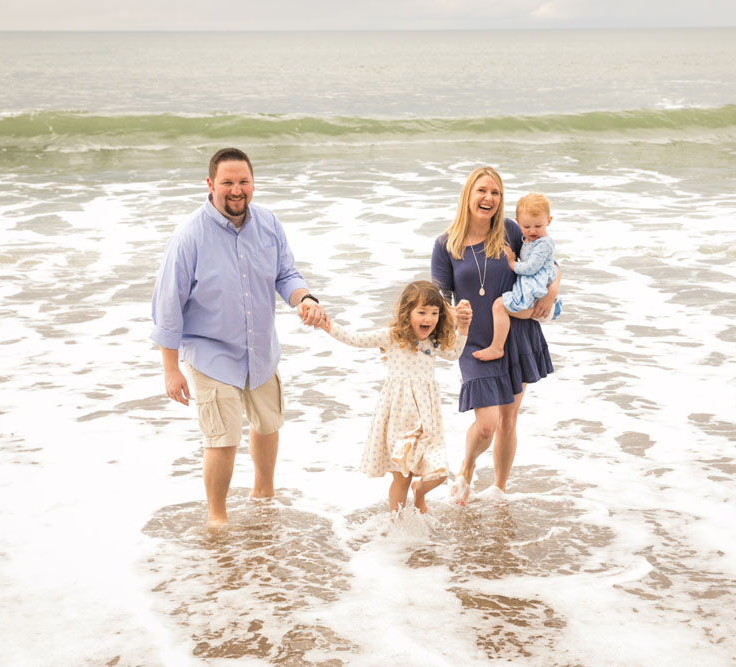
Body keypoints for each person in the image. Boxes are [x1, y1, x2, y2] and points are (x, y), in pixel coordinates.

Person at [150, 147, 326, 527]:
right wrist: (170, 370)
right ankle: (218, 519)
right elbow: (168, 307)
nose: (236, 190)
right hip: (211, 353)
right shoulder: (188, 237)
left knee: (268, 424)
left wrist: (304, 299)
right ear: (210, 185)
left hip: (261, 349)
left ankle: (264, 496)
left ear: (253, 184)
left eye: (243, 182)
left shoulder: (268, 223)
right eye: (227, 182)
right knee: (223, 438)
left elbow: (286, 274)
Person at [431, 167, 559, 504]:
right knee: (486, 424)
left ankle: (500, 489)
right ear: (468, 195)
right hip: (473, 342)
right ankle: (468, 465)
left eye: (496, 193)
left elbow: (551, 265)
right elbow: (439, 298)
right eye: (482, 191)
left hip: (517, 334)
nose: (489, 198)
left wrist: (550, 294)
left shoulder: (511, 231)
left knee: (508, 420)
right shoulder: (446, 244)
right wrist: (451, 312)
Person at [315, 281, 473, 514]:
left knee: (439, 471)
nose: (428, 319)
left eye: (434, 313)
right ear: (407, 312)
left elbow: (455, 354)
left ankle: (420, 491)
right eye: (421, 312)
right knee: (402, 478)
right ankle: (396, 524)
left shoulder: (433, 342)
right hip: (399, 416)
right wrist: (328, 326)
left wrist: (463, 326)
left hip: (427, 420)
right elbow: (356, 339)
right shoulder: (392, 337)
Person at [473, 192, 562, 362]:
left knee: (499, 306)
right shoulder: (528, 239)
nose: (532, 231)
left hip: (534, 290)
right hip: (530, 287)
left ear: (549, 221)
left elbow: (530, 267)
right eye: (526, 226)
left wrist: (512, 263)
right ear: (517, 222)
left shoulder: (544, 243)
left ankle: (497, 347)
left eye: (538, 226)